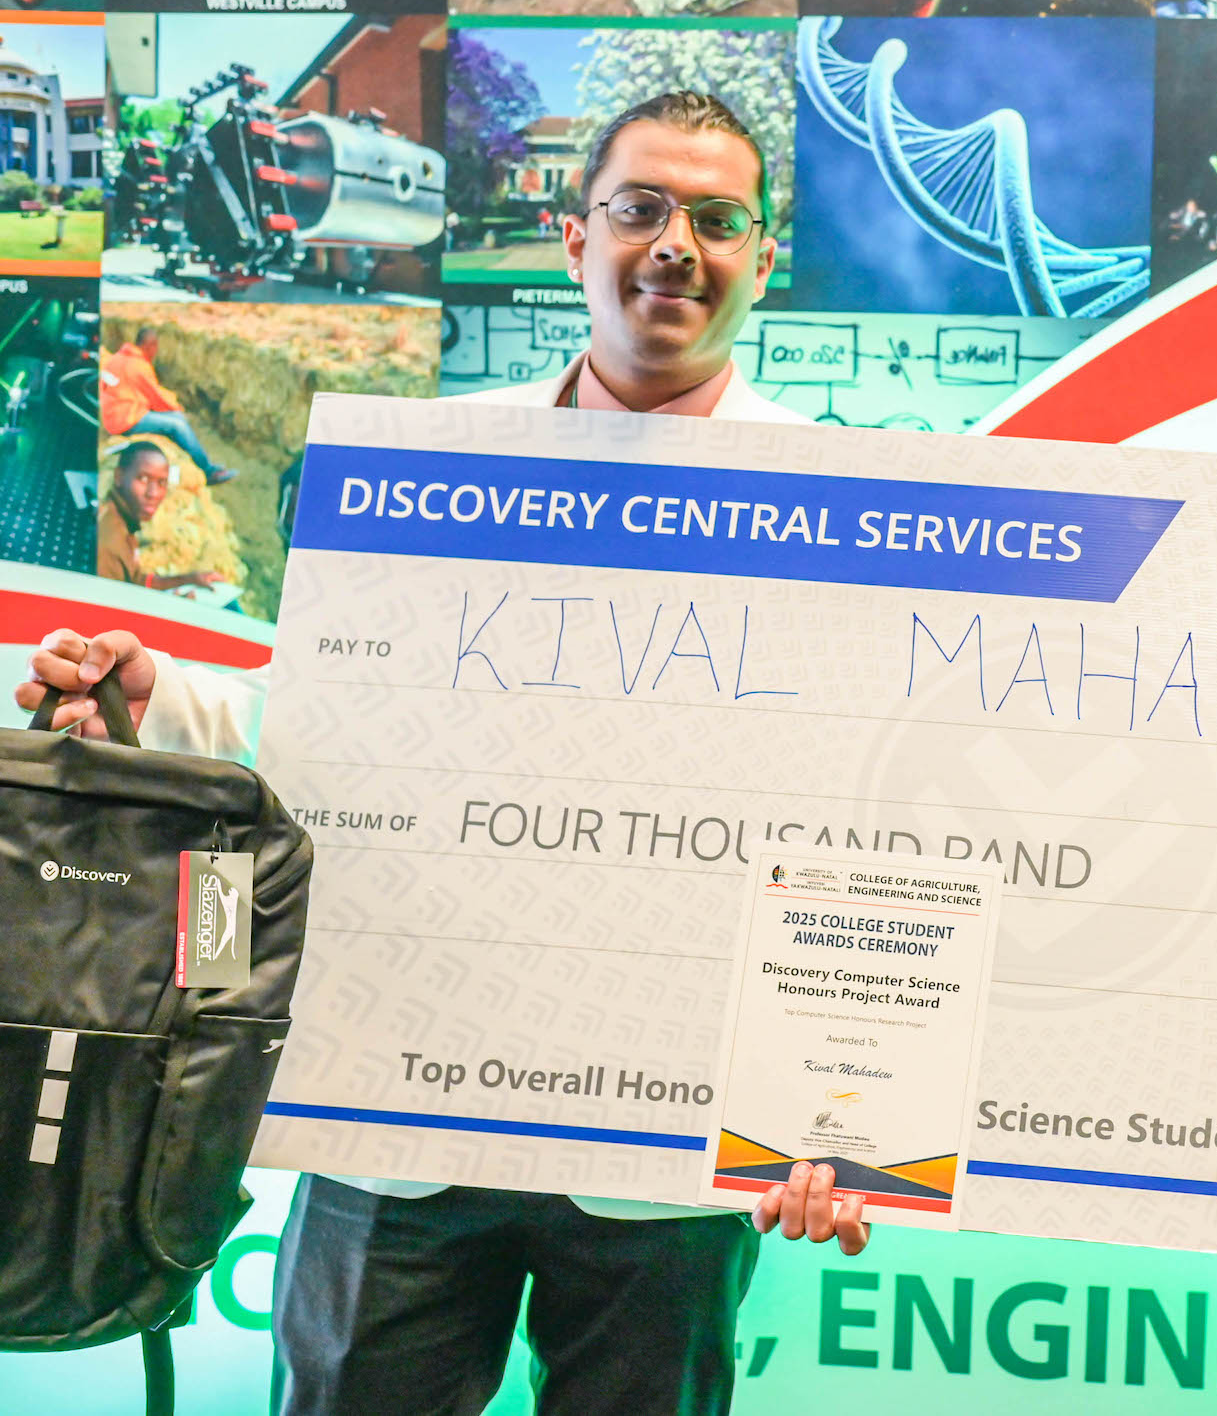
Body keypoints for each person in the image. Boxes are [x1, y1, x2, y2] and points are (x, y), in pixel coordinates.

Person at [21, 92, 866, 1416]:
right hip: (403, 1118)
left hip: (672, 1150)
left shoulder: (855, 505)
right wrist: (152, 701)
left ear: (762, 257)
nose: (674, 244)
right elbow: (322, 726)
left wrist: (848, 1113)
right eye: (640, 208)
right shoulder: (427, 462)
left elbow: (879, 830)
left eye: (715, 219)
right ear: (575, 237)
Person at [99, 327, 238, 486]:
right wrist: (176, 406)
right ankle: (208, 471)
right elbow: (157, 398)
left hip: (114, 416)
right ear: (150, 345)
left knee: (177, 419)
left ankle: (196, 462)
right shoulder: (139, 366)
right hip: (126, 421)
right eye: (155, 347)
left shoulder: (116, 359)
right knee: (177, 425)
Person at [94, 440, 222, 592]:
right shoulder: (110, 543)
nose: (153, 493)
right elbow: (109, 604)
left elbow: (136, 582)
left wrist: (189, 580)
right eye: (143, 479)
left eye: (161, 483)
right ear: (119, 477)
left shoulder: (123, 521)